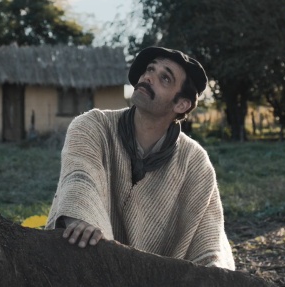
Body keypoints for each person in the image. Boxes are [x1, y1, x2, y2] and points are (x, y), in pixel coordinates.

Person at [45, 46, 235, 270]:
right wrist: (82, 218)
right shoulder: (92, 126)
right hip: (90, 261)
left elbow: (208, 230)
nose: (148, 77)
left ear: (181, 104)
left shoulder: (195, 162)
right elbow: (79, 177)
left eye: (164, 78)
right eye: (149, 69)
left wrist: (212, 269)